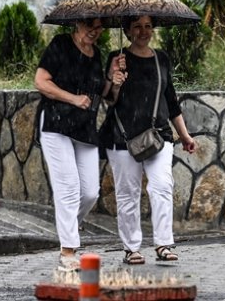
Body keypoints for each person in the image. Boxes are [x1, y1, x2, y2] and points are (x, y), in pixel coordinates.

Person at [101, 15, 197, 265]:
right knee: (128, 193)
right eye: (137, 26)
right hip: (123, 137)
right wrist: (115, 81)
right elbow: (108, 100)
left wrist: (184, 135)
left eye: (147, 26)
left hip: (159, 135)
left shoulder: (160, 59)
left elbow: (171, 99)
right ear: (127, 30)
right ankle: (131, 248)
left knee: (162, 186)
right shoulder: (116, 58)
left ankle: (163, 243)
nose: (143, 31)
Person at [35, 17, 126, 271]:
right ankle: (68, 253)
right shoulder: (61, 44)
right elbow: (41, 82)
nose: (94, 32)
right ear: (77, 24)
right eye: (89, 26)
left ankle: (68, 231)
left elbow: (107, 97)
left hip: (84, 129)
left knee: (89, 192)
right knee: (69, 187)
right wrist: (73, 99)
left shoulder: (97, 54)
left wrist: (113, 79)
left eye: (98, 28)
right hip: (56, 124)